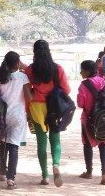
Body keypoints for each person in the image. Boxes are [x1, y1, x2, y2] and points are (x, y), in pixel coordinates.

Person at [24, 39, 70, 187]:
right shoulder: (58, 69)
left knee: (41, 141)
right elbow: (67, 90)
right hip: (54, 107)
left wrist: (27, 110)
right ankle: (56, 165)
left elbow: (26, 91)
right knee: (55, 139)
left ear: (34, 52)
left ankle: (45, 176)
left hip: (36, 107)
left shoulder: (30, 70)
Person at [77, 60, 105, 185]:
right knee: (103, 145)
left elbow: (80, 104)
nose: (80, 72)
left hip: (89, 119)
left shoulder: (84, 85)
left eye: (82, 70)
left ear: (87, 71)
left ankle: (89, 172)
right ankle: (104, 174)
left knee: (87, 144)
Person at [0, 51, 31, 190]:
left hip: (2, 115)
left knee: (3, 143)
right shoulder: (22, 77)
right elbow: (28, 97)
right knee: (13, 146)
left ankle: (2, 172)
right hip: (17, 115)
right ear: (17, 63)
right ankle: (11, 179)